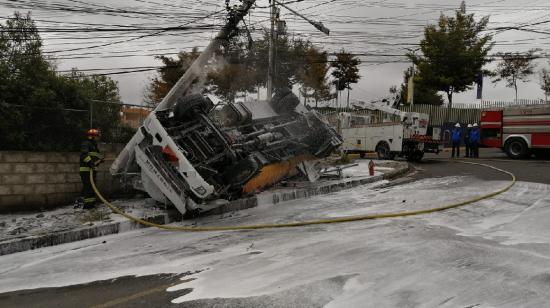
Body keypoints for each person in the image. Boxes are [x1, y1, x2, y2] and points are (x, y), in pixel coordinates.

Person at [75, 128, 103, 209]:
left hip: (92, 171)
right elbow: (84, 156)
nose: (98, 138)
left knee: (91, 187)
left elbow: (94, 159)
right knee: (88, 188)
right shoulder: (86, 144)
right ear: (92, 137)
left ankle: (91, 204)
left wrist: (100, 160)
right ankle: (87, 206)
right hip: (86, 171)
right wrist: (92, 164)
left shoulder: (95, 146)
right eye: (97, 136)